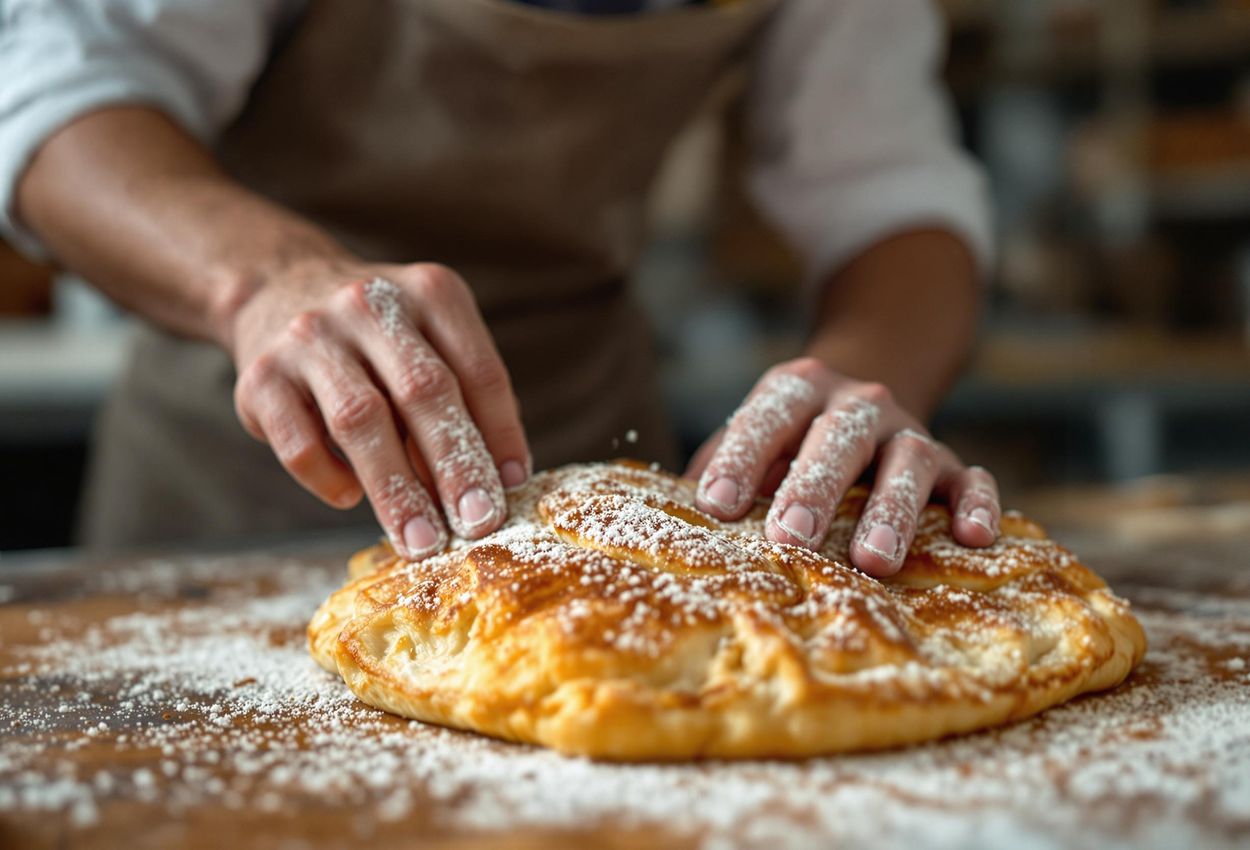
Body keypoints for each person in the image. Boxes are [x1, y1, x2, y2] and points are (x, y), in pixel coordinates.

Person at [1, 0, 1001, 576]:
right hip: (234, 478)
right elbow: (61, 86)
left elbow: (886, 189)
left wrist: (862, 377)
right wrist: (268, 280)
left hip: (596, 457)